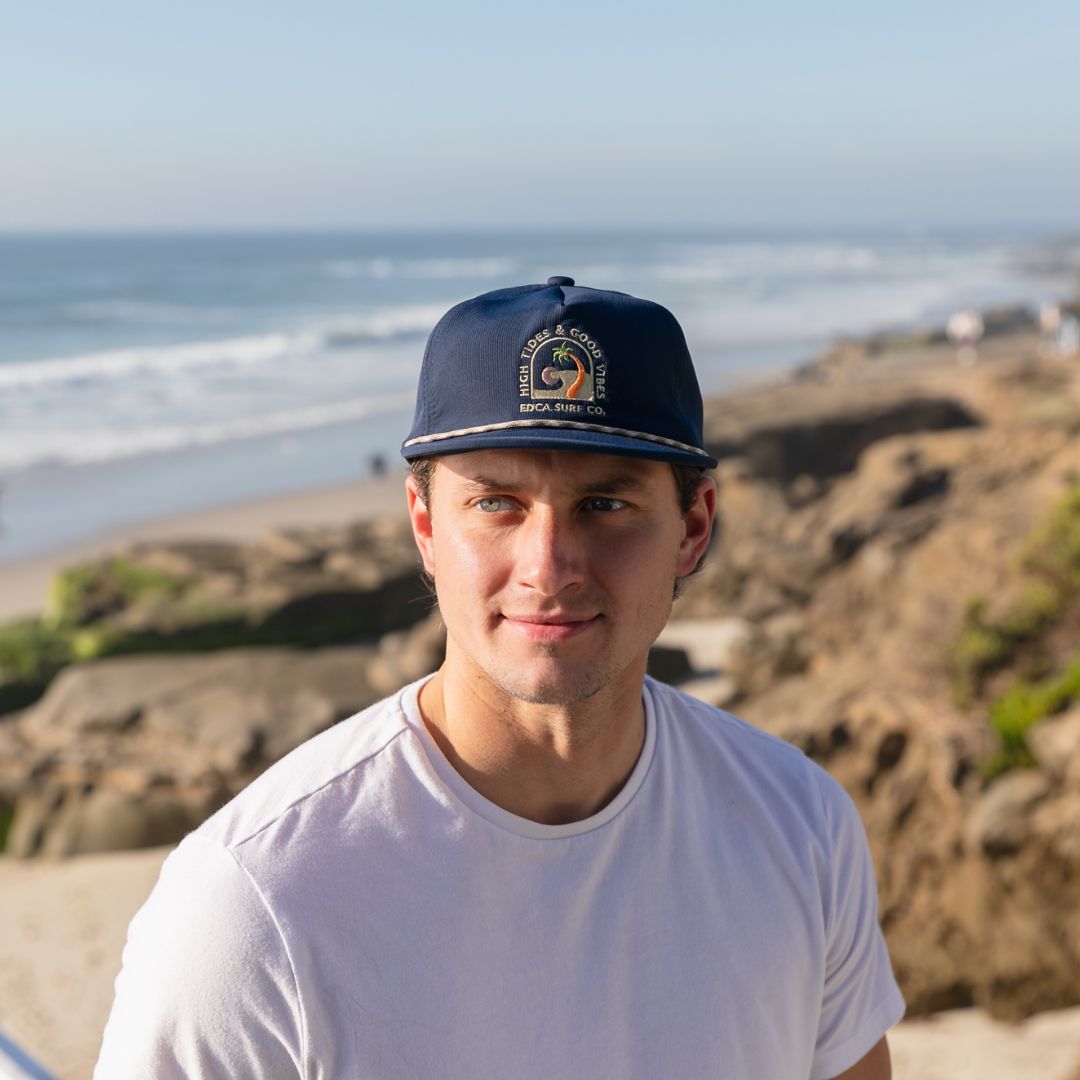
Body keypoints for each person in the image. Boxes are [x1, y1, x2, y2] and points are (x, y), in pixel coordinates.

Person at [96, 277, 905, 1078]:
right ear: (425, 527)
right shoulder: (254, 901)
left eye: (606, 505)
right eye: (497, 504)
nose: (548, 567)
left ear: (692, 529)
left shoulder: (798, 825)